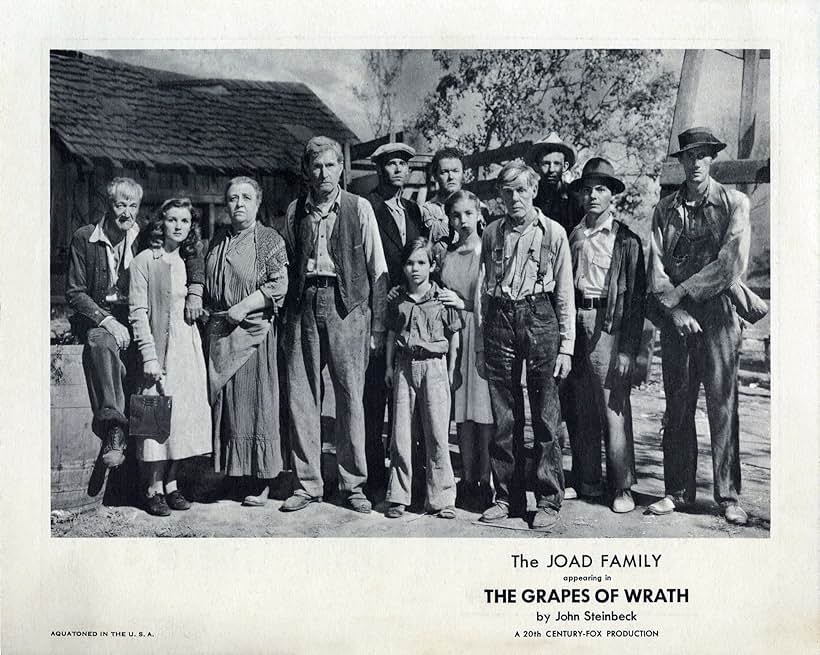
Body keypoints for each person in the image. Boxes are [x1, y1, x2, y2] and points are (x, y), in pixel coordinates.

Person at [646, 127, 751, 526]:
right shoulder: (665, 209)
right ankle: (677, 491)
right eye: (689, 156)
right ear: (681, 161)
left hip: (720, 313)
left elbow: (730, 263)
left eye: (703, 156)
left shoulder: (733, 202)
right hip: (678, 319)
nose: (696, 163)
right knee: (677, 404)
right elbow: (655, 267)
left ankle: (728, 495)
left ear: (712, 159)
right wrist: (673, 310)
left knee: (722, 405)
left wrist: (683, 292)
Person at [65, 177, 204, 472]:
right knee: (101, 341)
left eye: (132, 205)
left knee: (155, 377)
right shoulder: (85, 238)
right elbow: (75, 293)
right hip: (100, 317)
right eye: (119, 204)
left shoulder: (141, 236)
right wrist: (108, 321)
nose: (126, 212)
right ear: (108, 205)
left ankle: (153, 470)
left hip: (136, 318)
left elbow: (187, 252)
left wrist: (196, 289)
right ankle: (114, 427)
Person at [281, 136, 388, 514]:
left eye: (330, 165)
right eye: (316, 166)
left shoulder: (359, 208)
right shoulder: (295, 211)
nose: (323, 173)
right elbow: (287, 266)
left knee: (349, 396)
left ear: (342, 168)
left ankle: (353, 484)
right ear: (307, 172)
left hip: (349, 308)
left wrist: (376, 327)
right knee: (303, 395)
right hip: (304, 305)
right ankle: (308, 484)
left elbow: (379, 271)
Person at [475, 161, 575, 530]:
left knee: (546, 413)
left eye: (520, 190)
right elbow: (482, 292)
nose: (514, 198)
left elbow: (565, 292)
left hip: (541, 315)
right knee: (504, 414)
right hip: (500, 318)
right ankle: (507, 496)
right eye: (507, 191)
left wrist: (567, 347)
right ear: (499, 195)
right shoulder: (491, 233)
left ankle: (548, 499)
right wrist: (481, 346)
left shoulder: (555, 233)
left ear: (533, 191)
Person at [566, 158, 646, 513]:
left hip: (608, 323)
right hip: (576, 319)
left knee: (613, 405)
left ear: (612, 195)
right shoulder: (575, 234)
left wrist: (628, 349)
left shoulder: (627, 241)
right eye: (587, 189)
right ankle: (587, 481)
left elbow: (637, 301)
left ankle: (622, 487)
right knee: (582, 406)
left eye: (600, 189)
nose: (592, 196)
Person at [205, 177, 289, 507]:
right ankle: (233, 476)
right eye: (232, 198)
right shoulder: (218, 238)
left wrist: (244, 306)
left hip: (254, 333)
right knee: (227, 407)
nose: (238, 204)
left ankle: (263, 479)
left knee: (256, 405)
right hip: (221, 331)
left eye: (246, 198)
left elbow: (279, 284)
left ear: (258, 202)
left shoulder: (268, 238)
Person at [128, 197, 212, 516]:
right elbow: (138, 312)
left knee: (183, 416)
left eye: (185, 221)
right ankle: (152, 488)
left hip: (187, 346)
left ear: (191, 227)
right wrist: (149, 356)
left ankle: (172, 484)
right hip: (159, 347)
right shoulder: (145, 261)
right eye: (172, 219)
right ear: (160, 223)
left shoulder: (188, 262)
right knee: (154, 415)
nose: (178, 226)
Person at [364, 142, 429, 497]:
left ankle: (411, 479)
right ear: (379, 170)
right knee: (375, 394)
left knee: (410, 398)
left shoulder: (415, 210)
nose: (398, 170)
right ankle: (375, 477)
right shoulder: (368, 207)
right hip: (379, 307)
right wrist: (382, 298)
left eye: (404, 164)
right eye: (391, 164)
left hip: (410, 310)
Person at [383, 238, 462, 518]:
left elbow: (454, 336)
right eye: (409, 263)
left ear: (432, 265)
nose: (415, 269)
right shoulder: (398, 300)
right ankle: (399, 497)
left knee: (438, 433)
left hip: (435, 367)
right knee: (401, 434)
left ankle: (442, 499)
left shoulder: (443, 298)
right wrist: (389, 368)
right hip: (405, 365)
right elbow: (392, 334)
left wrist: (451, 370)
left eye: (421, 263)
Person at [439, 190, 494, 511]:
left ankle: (484, 480)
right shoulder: (446, 254)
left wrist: (463, 303)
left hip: (479, 332)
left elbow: (488, 297)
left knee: (482, 411)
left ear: (478, 214)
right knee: (460, 409)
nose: (462, 221)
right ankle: (468, 477)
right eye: (456, 215)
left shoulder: (485, 250)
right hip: (451, 336)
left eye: (468, 214)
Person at [528, 132, 585, 236]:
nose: (551, 170)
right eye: (546, 164)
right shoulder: (529, 196)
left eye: (557, 163)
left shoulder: (575, 197)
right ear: (536, 166)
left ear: (565, 166)